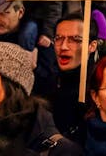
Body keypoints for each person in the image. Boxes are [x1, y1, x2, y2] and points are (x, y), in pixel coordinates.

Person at [38, 12, 99, 140]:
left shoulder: (100, 86)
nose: (63, 46)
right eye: (58, 38)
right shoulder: (48, 83)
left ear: (92, 46)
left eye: (75, 40)